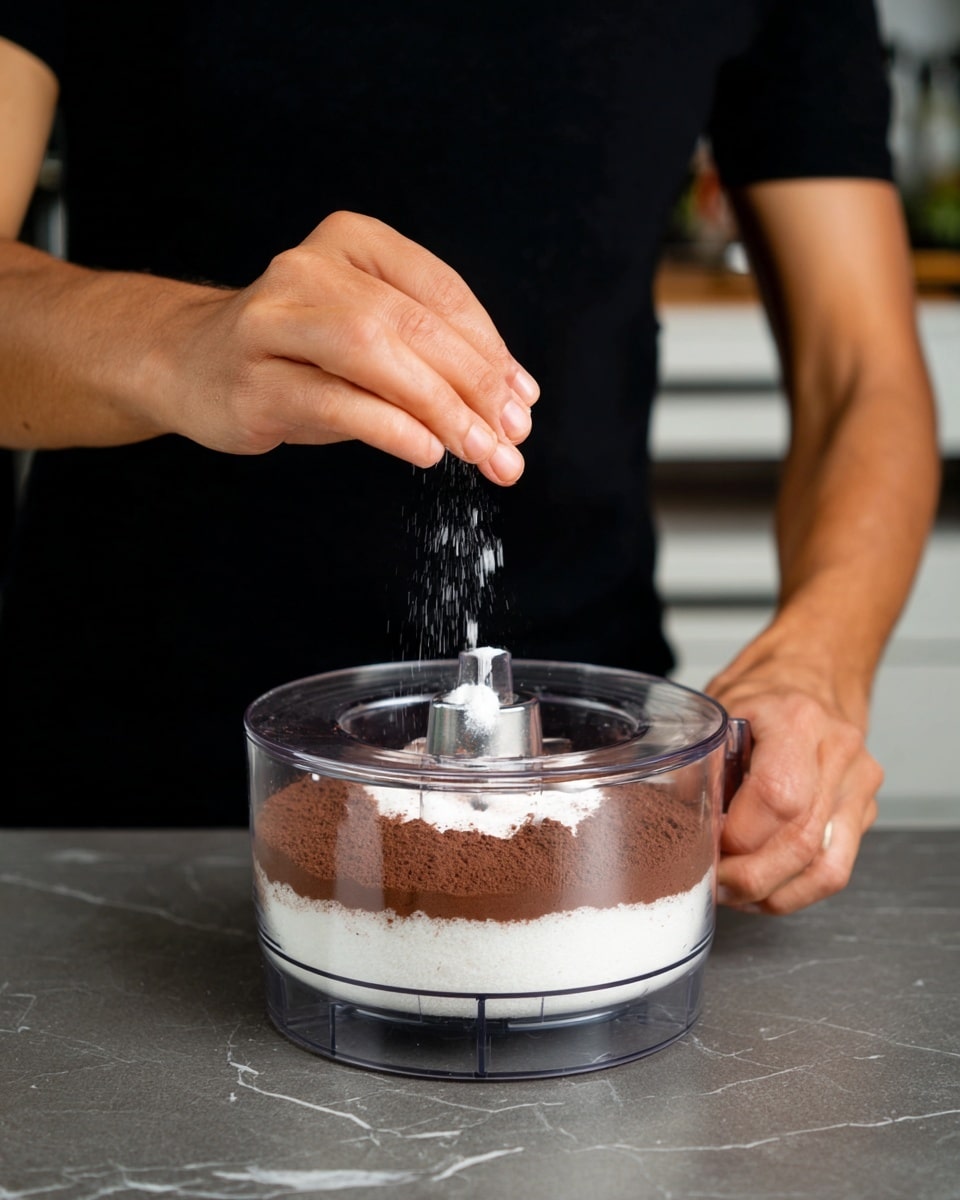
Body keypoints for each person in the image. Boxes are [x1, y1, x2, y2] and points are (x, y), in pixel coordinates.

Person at [0, 1, 940, 916]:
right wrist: (185, 341)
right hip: (115, 797)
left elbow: (863, 371)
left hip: (585, 796)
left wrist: (816, 664)